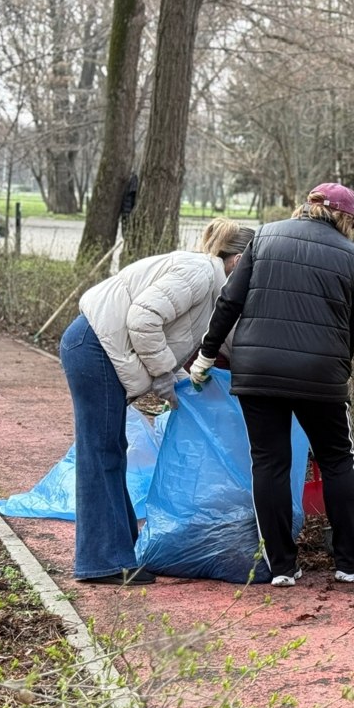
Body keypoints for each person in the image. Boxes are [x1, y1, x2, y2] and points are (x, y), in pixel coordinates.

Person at [190, 183, 354, 588]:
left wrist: (207, 355)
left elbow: (230, 301)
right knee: (336, 459)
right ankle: (350, 560)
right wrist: (338, 369)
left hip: (257, 370)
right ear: (345, 218)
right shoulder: (352, 257)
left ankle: (281, 566)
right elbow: (353, 330)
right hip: (320, 373)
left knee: (270, 462)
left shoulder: (264, 237)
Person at [60, 217, 254, 585]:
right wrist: (165, 373)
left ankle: (117, 553)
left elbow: (215, 340)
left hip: (100, 350)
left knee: (110, 449)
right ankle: (103, 562)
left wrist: (191, 380)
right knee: (100, 452)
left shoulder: (214, 286)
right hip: (94, 348)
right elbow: (143, 320)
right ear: (240, 259)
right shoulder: (198, 272)